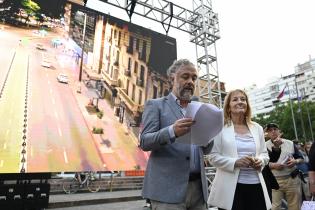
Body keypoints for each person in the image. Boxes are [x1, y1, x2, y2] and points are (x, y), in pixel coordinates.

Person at [139, 59, 213, 210]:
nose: (190, 81)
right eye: (185, 77)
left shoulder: (199, 108)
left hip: (199, 190)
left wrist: (207, 137)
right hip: (167, 192)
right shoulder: (155, 105)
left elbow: (205, 149)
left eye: (194, 78)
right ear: (172, 78)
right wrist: (172, 131)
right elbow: (145, 142)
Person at [208, 89, 271, 210]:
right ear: (228, 107)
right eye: (235, 99)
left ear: (247, 105)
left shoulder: (257, 127)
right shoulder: (220, 128)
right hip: (230, 190)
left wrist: (260, 161)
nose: (240, 102)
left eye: (243, 99)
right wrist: (235, 162)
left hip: (257, 186)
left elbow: (264, 154)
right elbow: (213, 157)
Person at [265, 123, 303, 210]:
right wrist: (273, 165)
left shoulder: (290, 143)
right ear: (267, 134)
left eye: (275, 129)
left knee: (295, 207)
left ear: (279, 131)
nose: (273, 131)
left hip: (292, 179)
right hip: (274, 181)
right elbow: (262, 163)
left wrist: (295, 161)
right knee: (275, 207)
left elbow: (301, 158)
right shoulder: (264, 145)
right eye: (270, 130)